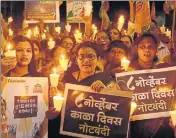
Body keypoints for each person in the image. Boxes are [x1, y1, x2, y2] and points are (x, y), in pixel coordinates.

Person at [46, 41, 119, 138]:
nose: (86, 60)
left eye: (90, 56)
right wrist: (53, 103)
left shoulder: (106, 78)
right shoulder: (66, 79)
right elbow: (58, 107)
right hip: (69, 130)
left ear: (98, 59)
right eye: (81, 56)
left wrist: (105, 91)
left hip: (93, 130)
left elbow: (117, 105)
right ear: (76, 60)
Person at [127, 33, 174, 138]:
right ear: (137, 49)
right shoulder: (127, 72)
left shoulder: (165, 69)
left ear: (156, 49)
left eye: (150, 47)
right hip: (133, 125)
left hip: (161, 126)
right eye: (142, 47)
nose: (146, 50)